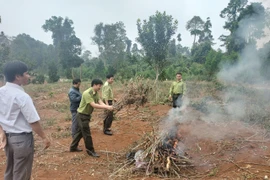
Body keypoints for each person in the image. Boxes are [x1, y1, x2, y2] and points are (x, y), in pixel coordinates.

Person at [0, 61, 50, 180]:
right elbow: (33, 121)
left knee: (10, 171)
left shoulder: (1, 92)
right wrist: (44, 137)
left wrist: (2, 132)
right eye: (26, 74)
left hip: (8, 139)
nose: (28, 76)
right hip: (22, 140)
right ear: (18, 76)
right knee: (21, 174)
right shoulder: (22, 96)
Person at [70, 79, 113, 157]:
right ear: (94, 85)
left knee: (79, 133)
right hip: (82, 115)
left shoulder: (95, 93)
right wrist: (107, 107)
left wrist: (106, 106)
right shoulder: (87, 93)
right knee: (87, 134)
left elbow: (99, 101)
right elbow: (93, 105)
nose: (100, 87)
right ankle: (91, 151)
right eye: (99, 86)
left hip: (85, 116)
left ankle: (73, 147)